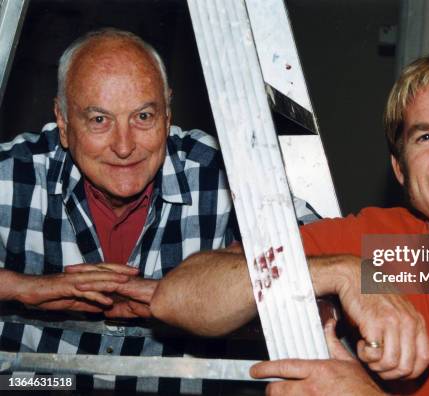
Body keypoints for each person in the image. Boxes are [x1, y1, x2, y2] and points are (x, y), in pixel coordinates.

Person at [151, 51, 429, 394]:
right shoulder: (376, 246)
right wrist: (341, 271)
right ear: (399, 169)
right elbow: (178, 298)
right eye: (424, 136)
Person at [0, 28, 320, 394]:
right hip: (38, 385)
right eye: (99, 120)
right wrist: (23, 288)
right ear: (62, 120)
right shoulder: (15, 171)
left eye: (144, 116)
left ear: (168, 114)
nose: (124, 146)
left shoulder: (222, 174)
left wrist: (195, 295)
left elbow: (344, 255)